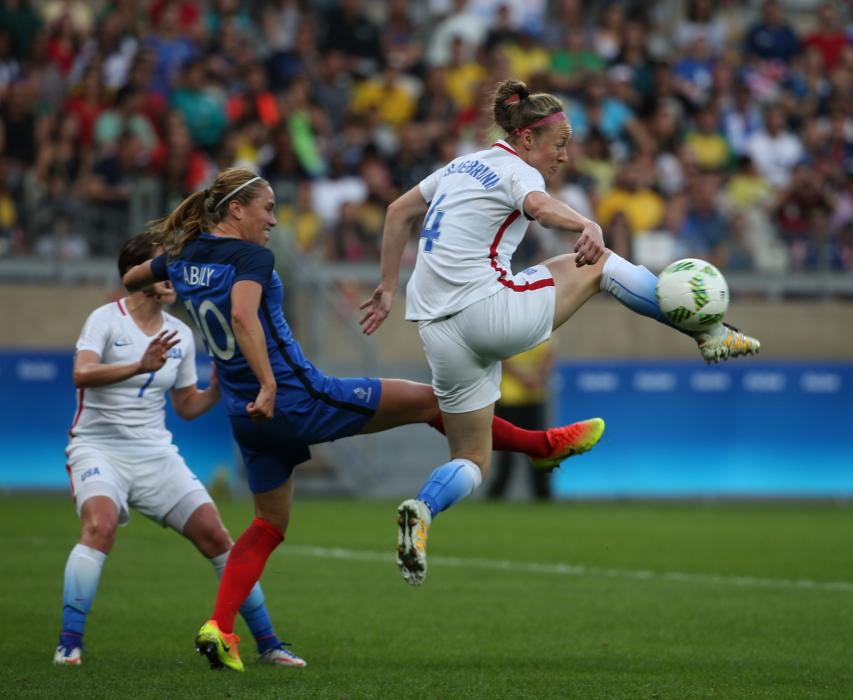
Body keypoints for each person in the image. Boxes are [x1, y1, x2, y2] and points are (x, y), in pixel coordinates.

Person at [121, 167, 606, 672]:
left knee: (268, 524)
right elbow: (243, 317)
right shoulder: (250, 257)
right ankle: (542, 445)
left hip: (249, 417)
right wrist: (267, 381)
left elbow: (134, 277)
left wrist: (164, 292)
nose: (273, 220)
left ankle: (219, 627)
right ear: (236, 210)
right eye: (266, 209)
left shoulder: (183, 258)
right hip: (297, 397)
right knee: (435, 401)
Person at [359, 79, 761, 587]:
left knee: (471, 457)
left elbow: (398, 212)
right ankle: (709, 333)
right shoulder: (513, 169)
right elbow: (541, 208)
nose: (565, 157)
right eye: (559, 144)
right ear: (526, 139)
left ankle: (422, 510)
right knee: (597, 265)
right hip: (488, 312)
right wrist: (586, 224)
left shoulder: (461, 165)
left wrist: (388, 286)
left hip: (437, 331)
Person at [56, 231, 305, 668]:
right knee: (100, 526)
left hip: (156, 455)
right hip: (98, 449)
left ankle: (269, 644)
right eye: (161, 264)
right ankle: (69, 644)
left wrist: (219, 385)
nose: (172, 274)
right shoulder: (106, 319)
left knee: (218, 537)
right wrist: (139, 364)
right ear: (137, 272)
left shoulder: (181, 334)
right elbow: (81, 374)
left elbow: (187, 406)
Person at [488, 341, 554, 501]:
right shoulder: (506, 328)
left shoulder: (543, 325)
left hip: (534, 398)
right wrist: (526, 378)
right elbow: (500, 358)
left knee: (540, 448)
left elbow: (550, 353)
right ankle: (496, 495)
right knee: (506, 453)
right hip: (509, 399)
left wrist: (537, 376)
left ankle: (543, 496)